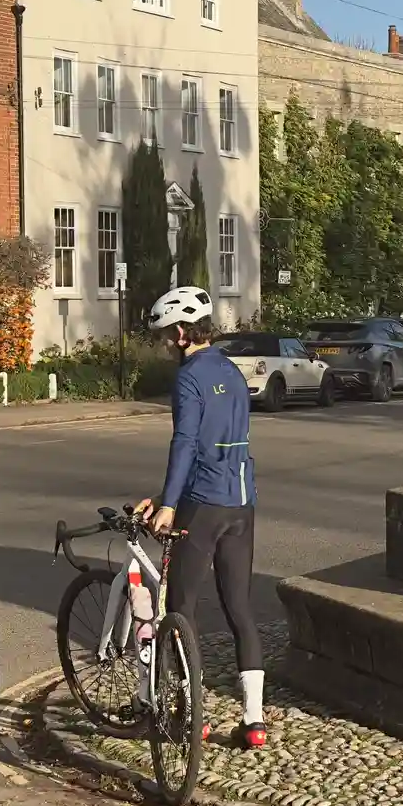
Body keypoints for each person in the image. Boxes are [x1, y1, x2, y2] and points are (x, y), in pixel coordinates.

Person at [134, 286, 268, 751]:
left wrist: (170, 505)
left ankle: (192, 716)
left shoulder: (189, 377)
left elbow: (187, 443)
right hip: (241, 502)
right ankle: (254, 721)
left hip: (204, 505)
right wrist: (163, 495)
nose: (165, 346)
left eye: (165, 338)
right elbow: (217, 446)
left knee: (181, 608)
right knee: (240, 610)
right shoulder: (231, 370)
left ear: (180, 333)